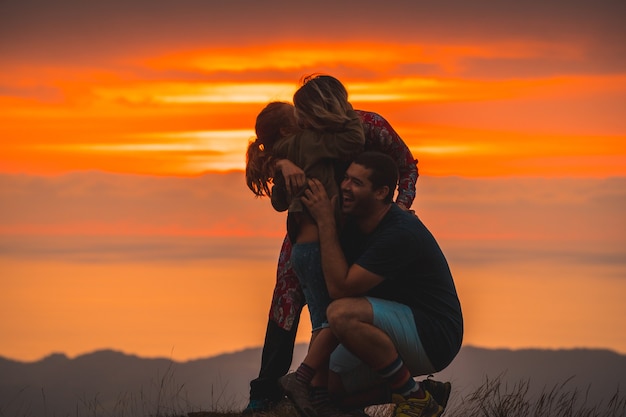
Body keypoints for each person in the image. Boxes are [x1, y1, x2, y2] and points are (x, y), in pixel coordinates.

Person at [244, 76, 421, 415]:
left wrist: (397, 212)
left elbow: (406, 166)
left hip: (358, 231)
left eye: (305, 115)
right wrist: (281, 163)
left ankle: (335, 393)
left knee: (345, 309)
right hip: (307, 233)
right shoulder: (308, 135)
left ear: (320, 111)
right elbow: (273, 154)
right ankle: (267, 393)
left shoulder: (369, 126)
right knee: (287, 304)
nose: (302, 122)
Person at [282, 151, 463, 417]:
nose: (345, 186)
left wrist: (325, 222)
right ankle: (420, 394)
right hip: (391, 328)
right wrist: (283, 162)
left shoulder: (399, 233)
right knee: (325, 389)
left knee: (341, 313)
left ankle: (415, 398)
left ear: (381, 193)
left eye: (356, 182)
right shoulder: (357, 223)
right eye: (345, 179)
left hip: (432, 334)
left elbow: (341, 289)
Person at [246, 75, 365, 411]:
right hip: (317, 248)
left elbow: (279, 203)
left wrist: (282, 163)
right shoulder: (311, 142)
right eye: (299, 117)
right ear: (289, 129)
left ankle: (318, 393)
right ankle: (311, 389)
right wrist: (340, 106)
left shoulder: (284, 151)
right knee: (327, 322)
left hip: (300, 248)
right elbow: (355, 138)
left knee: (321, 320)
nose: (305, 120)